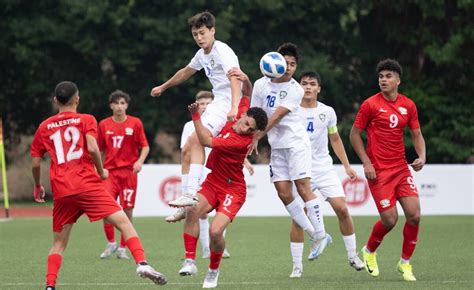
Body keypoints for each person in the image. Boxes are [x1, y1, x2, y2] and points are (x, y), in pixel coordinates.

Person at [31, 81, 167, 289]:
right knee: (124, 222)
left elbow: (35, 161)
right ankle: (141, 263)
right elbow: (94, 148)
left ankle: (50, 285)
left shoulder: (44, 126)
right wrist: (101, 170)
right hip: (87, 184)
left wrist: (38, 185)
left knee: (58, 243)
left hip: (62, 190)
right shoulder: (87, 119)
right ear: (77, 99)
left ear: (55, 100)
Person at [177, 75, 268, 288]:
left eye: (250, 129)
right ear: (244, 114)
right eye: (246, 123)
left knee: (215, 231)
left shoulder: (239, 141)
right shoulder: (240, 109)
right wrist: (245, 78)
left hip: (232, 190)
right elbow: (247, 92)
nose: (245, 129)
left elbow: (205, 140)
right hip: (213, 181)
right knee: (192, 210)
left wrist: (196, 117)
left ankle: (213, 271)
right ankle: (190, 261)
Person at [150, 11, 242, 209]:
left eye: (202, 33)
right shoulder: (202, 54)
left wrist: (234, 106)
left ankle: (190, 193)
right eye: (195, 35)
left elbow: (235, 77)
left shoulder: (222, 51)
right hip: (219, 101)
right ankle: (187, 199)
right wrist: (163, 87)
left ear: (212, 30)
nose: (199, 38)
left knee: (196, 139)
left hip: (227, 103)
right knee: (188, 148)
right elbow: (186, 71)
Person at [250, 43, 330, 263]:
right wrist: (250, 135)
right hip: (277, 146)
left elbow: (275, 117)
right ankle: (316, 235)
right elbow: (255, 113)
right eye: (284, 62)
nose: (288, 67)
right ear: (274, 61)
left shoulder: (296, 89)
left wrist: (257, 136)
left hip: (296, 143)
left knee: (303, 187)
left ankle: (321, 233)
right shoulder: (260, 84)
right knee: (284, 193)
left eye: (292, 64)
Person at [350, 59, 426, 282]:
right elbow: (355, 135)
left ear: (398, 80)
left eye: (388, 76)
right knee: (390, 220)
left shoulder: (408, 105)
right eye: (381, 76)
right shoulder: (370, 104)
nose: (383, 79)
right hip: (379, 172)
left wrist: (421, 157)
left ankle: (405, 264)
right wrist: (366, 162)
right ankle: (369, 251)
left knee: (414, 215)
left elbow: (417, 134)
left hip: (401, 168)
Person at [287, 71, 365, 278]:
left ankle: (352, 255)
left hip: (324, 168)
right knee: (298, 217)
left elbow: (336, 139)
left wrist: (347, 165)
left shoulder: (328, 112)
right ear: (299, 87)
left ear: (319, 88)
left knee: (342, 209)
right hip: (300, 169)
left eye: (313, 84)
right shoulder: (290, 110)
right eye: (304, 83)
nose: (308, 87)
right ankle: (296, 266)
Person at [97, 90, 150, 260]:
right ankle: (111, 242)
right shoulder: (104, 124)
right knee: (105, 208)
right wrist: (97, 168)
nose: (119, 106)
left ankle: (122, 247)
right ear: (111, 105)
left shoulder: (135, 123)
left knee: (127, 210)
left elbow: (145, 146)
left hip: (128, 173)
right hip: (110, 173)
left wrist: (139, 161)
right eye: (116, 103)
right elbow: (97, 149)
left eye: (122, 103)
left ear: (126, 105)